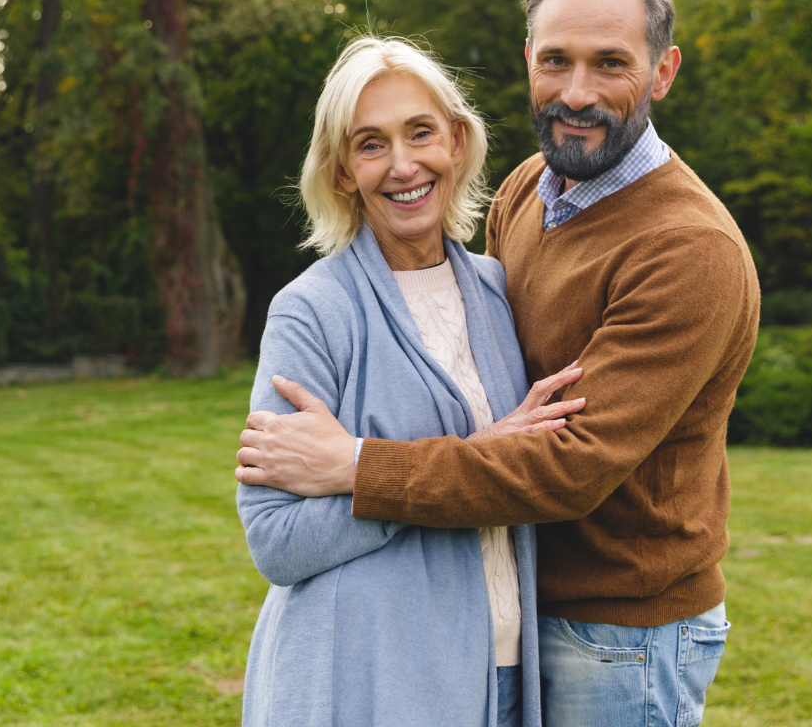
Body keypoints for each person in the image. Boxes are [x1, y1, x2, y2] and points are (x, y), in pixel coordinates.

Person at [238, 0, 762, 727]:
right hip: (486, 629)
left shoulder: (688, 250)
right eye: (557, 60)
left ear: (662, 72)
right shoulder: (528, 193)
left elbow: (565, 465)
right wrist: (477, 447)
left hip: (621, 631)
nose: (576, 92)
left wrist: (355, 466)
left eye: (610, 63)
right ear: (529, 61)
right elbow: (480, 417)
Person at [234, 37, 585, 727]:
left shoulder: (493, 290)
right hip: (367, 680)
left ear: (456, 142)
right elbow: (277, 542)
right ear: (341, 171)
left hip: (502, 673)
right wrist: (479, 456)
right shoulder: (313, 311)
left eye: (419, 133)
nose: (403, 165)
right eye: (371, 144)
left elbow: (522, 474)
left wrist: (357, 469)